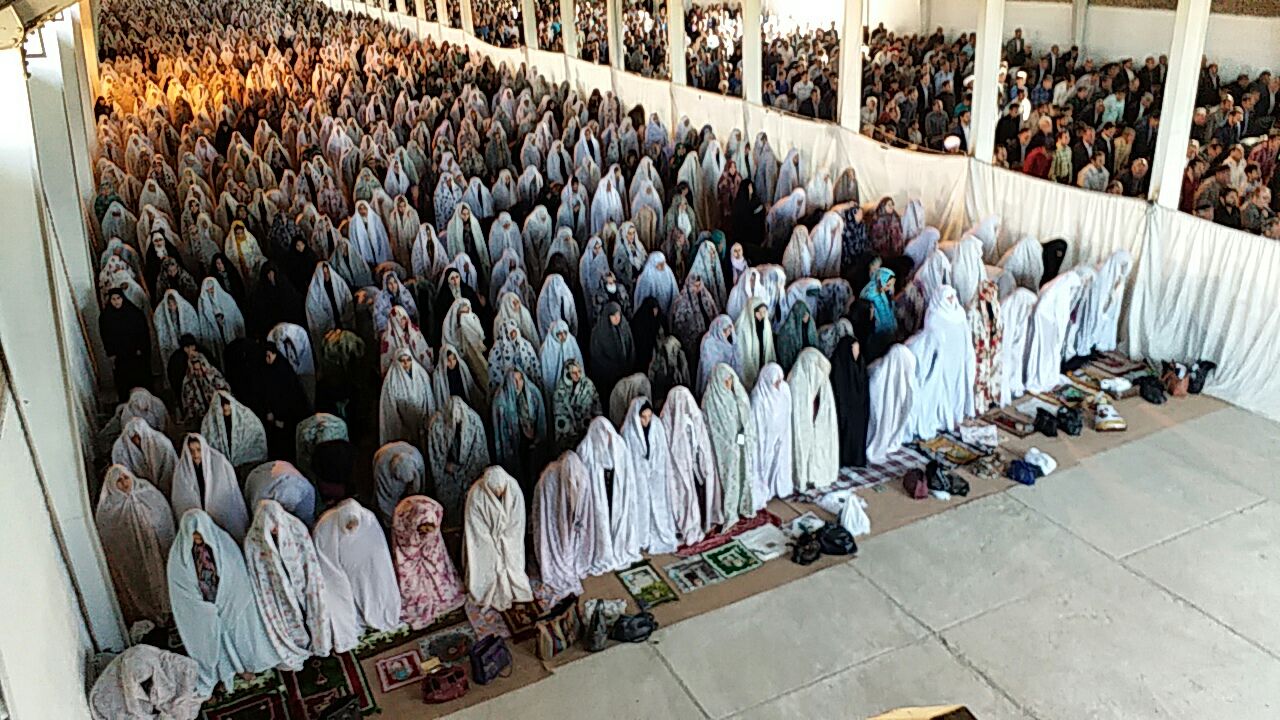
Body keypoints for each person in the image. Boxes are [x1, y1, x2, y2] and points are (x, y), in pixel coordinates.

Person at [167, 509, 280, 696]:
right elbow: (181, 586)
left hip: (228, 599)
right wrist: (204, 608)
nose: (197, 539)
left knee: (237, 637)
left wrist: (226, 598)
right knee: (215, 643)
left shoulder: (222, 542)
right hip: (204, 606)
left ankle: (245, 667)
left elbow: (235, 571)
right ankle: (224, 672)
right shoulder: (179, 556)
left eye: (200, 534)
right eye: (194, 536)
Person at [243, 500, 337, 668]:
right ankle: (299, 649)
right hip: (276, 589)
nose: (274, 530)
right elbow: (258, 572)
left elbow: (307, 554)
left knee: (314, 610)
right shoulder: (253, 541)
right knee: (291, 621)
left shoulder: (295, 528)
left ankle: (320, 644)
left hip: (302, 578)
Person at [313, 499, 403, 645]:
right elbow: (326, 559)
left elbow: (378, 551)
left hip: (366, 567)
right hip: (341, 569)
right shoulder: (326, 525)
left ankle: (378, 615)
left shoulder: (368, 519)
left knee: (374, 589)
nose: (351, 528)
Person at [95, 465, 175, 624]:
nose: (124, 483)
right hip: (133, 558)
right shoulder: (108, 511)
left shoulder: (148, 493)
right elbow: (111, 541)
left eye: (126, 478)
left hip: (157, 549)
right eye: (118, 481)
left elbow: (164, 519)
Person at [463, 467, 533, 611]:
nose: (498, 495)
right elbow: (476, 528)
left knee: (512, 560)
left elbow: (517, 521)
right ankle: (488, 587)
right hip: (485, 537)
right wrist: (493, 541)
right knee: (487, 560)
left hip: (508, 534)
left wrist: (504, 539)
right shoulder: (475, 494)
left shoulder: (514, 488)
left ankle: (513, 584)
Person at [392, 495, 466, 629]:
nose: (426, 533)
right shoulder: (404, 521)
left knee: (437, 570)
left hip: (430, 549)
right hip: (409, 551)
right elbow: (407, 551)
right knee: (411, 581)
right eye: (423, 530)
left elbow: (433, 549)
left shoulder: (432, 517)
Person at [700, 363, 757, 530]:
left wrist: (741, 441)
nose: (728, 383)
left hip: (739, 442)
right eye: (725, 380)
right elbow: (714, 429)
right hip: (722, 449)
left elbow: (744, 420)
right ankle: (728, 512)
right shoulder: (711, 399)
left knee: (742, 472)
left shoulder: (736, 395)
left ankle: (741, 506)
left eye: (730, 379)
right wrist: (730, 445)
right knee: (727, 479)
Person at [99, 288, 153, 403]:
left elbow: (143, 332)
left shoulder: (134, 313)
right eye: (113, 299)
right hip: (120, 357)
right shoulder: (106, 317)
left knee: (140, 379)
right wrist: (111, 353)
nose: (116, 302)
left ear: (123, 298)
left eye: (118, 298)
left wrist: (141, 348)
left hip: (136, 354)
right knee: (124, 382)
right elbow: (105, 337)